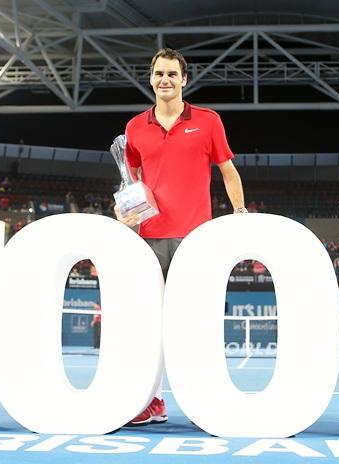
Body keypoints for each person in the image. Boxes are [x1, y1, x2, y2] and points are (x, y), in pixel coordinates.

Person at [115, 48, 246, 426]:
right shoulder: (135, 127)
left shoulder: (208, 121)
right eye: (159, 74)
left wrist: (239, 213)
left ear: (184, 80)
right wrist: (125, 210)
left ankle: (207, 401)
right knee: (148, 323)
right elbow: (131, 181)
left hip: (197, 240)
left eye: (172, 74)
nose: (165, 80)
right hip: (150, 238)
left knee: (193, 324)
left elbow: (228, 171)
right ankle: (152, 400)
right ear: (151, 78)